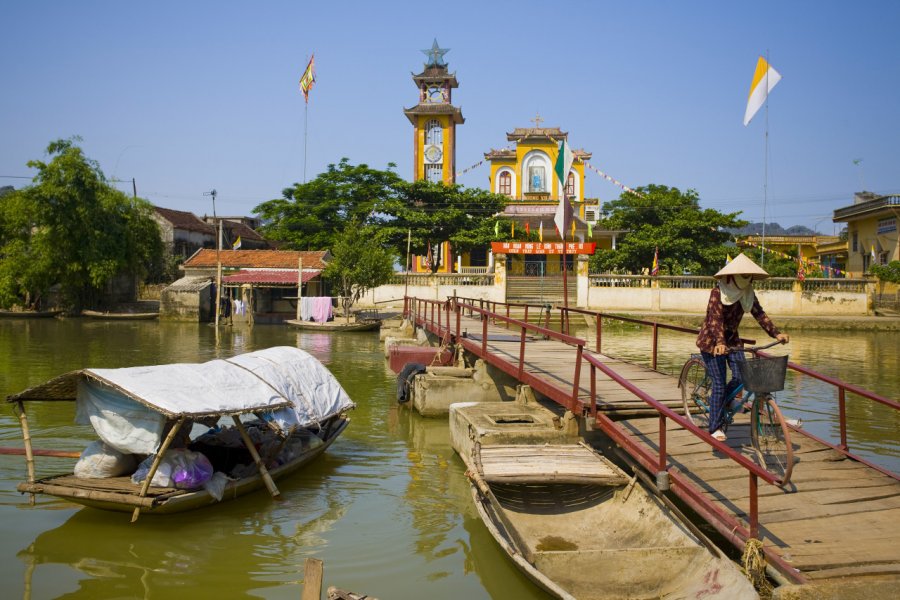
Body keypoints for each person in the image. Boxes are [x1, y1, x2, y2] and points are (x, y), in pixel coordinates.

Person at [695, 254, 789, 441]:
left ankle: (724, 402)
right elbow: (715, 320)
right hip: (712, 342)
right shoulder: (718, 292)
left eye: (748, 276)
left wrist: (776, 333)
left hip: (732, 340)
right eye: (742, 275)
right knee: (720, 384)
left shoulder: (747, 294)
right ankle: (715, 427)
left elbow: (760, 314)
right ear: (731, 276)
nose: (746, 280)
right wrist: (720, 343)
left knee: (741, 378)